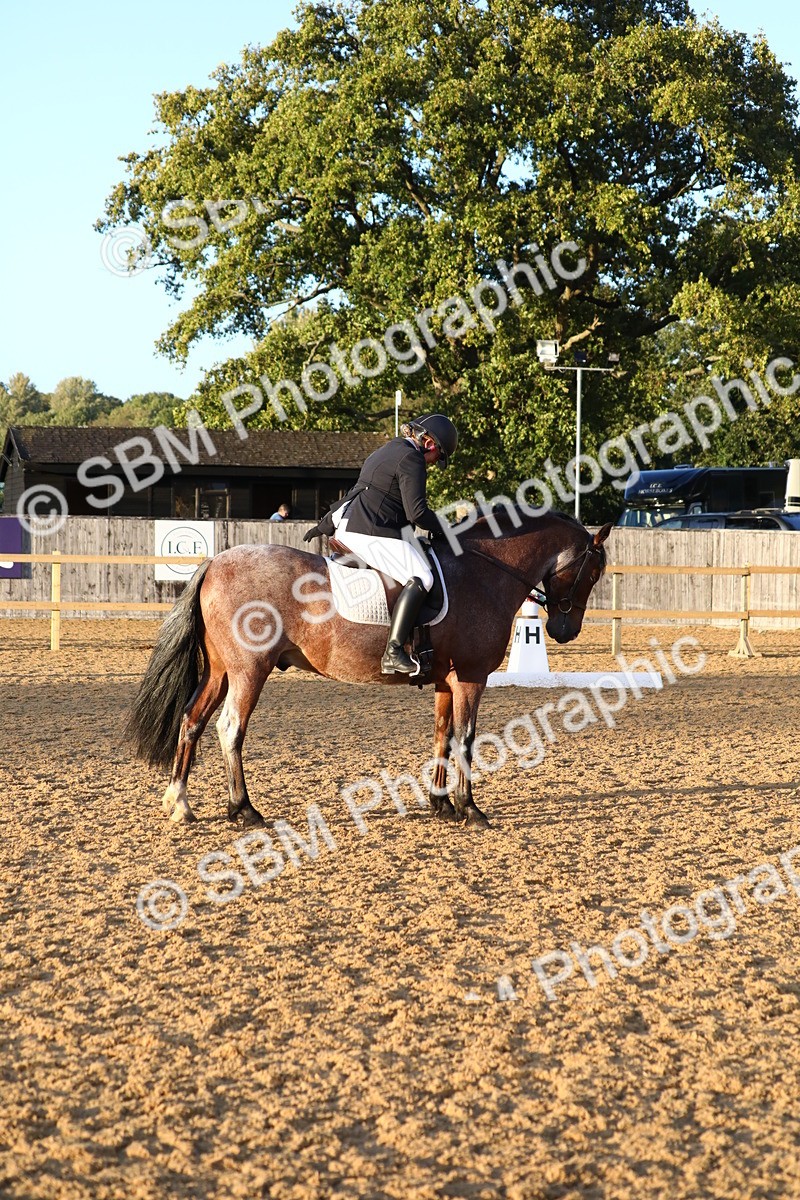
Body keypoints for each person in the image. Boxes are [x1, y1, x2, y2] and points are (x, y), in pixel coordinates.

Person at [328, 413, 458, 674]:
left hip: (352, 525)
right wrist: (446, 529)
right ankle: (393, 651)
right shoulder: (412, 459)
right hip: (370, 532)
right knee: (422, 576)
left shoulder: (387, 449)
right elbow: (417, 513)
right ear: (430, 443)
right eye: (438, 457)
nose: (434, 463)